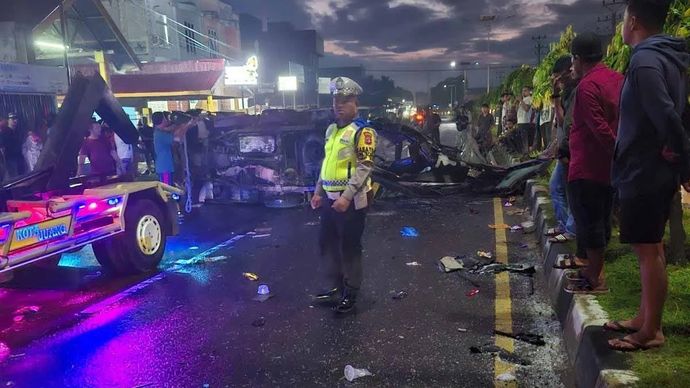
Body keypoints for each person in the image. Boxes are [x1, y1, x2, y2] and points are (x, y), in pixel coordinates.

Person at [607, 0, 690, 352]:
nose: (622, 25)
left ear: (634, 20)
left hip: (644, 169)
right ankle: (645, 316)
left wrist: (684, 161)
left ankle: (651, 331)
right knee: (651, 247)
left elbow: (667, 115)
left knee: (647, 251)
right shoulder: (669, 56)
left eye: (624, 17)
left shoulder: (644, 60)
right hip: (652, 167)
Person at [564, 32, 624, 295]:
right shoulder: (617, 79)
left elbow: (599, 128)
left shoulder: (587, 86)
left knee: (589, 221)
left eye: (573, 60)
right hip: (608, 169)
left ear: (578, 59)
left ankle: (595, 277)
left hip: (588, 165)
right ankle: (595, 271)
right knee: (601, 219)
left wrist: (617, 152)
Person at [311, 76, 377, 314]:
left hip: (350, 201)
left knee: (350, 246)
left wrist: (346, 197)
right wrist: (318, 192)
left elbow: (364, 167)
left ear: (355, 103)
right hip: (330, 198)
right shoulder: (331, 130)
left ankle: (351, 292)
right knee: (327, 243)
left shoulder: (363, 132)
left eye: (344, 100)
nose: (338, 104)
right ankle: (335, 287)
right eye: (335, 99)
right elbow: (326, 163)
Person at [153, 112, 175, 185]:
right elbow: (177, 138)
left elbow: (169, 129)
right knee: (167, 189)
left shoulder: (159, 132)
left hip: (164, 166)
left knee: (168, 188)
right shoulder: (160, 134)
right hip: (165, 167)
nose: (167, 120)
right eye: (165, 118)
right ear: (162, 120)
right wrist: (187, 125)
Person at [1, 113, 26, 178]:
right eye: (12, 119)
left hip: (19, 158)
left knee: (22, 176)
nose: (15, 120)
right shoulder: (4, 132)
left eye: (16, 118)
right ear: (8, 120)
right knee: (15, 178)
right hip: (11, 159)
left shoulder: (18, 131)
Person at [516, 87, 534, 154]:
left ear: (529, 91)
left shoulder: (529, 98)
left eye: (525, 91)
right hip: (520, 122)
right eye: (522, 91)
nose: (523, 92)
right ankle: (523, 154)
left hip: (525, 122)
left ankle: (527, 154)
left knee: (525, 141)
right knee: (521, 141)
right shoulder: (523, 100)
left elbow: (526, 109)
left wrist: (521, 100)